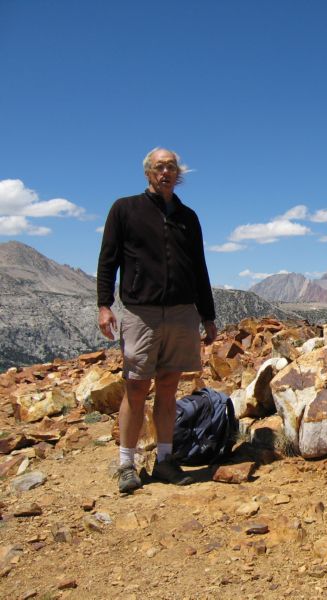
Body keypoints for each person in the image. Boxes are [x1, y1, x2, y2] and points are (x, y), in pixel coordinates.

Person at [97, 147, 217, 494]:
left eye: (171, 167)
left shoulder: (188, 216)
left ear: (178, 174)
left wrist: (207, 315)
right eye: (158, 167)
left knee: (168, 387)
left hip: (182, 311)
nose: (165, 172)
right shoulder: (125, 209)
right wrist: (104, 305)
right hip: (141, 312)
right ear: (148, 173)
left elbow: (199, 268)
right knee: (136, 387)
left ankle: (165, 460)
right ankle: (126, 464)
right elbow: (108, 260)